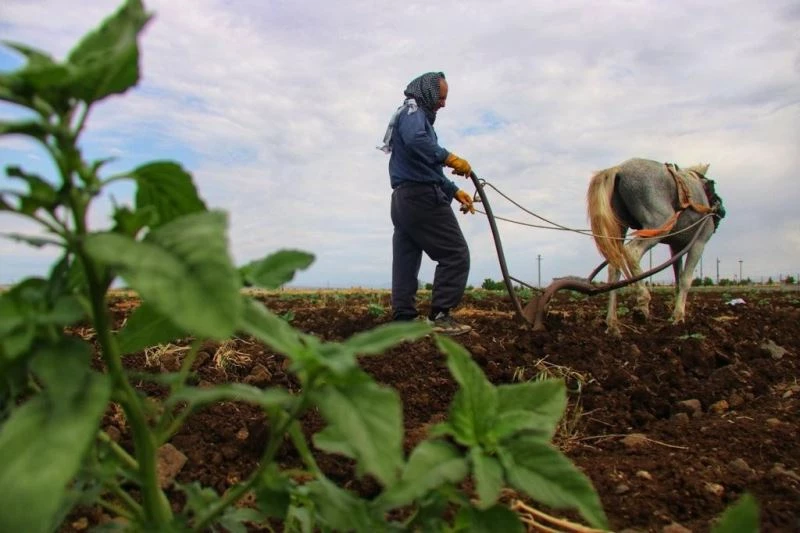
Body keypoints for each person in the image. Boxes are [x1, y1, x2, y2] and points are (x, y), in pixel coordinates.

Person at [378, 71, 475, 336]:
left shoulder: (413, 116)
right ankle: (441, 316)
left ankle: (403, 319)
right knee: (455, 253)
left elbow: (423, 165)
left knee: (406, 259)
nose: (443, 104)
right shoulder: (413, 112)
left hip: (402, 200)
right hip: (421, 197)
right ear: (429, 93)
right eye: (441, 98)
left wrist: (454, 191)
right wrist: (449, 157)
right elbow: (417, 142)